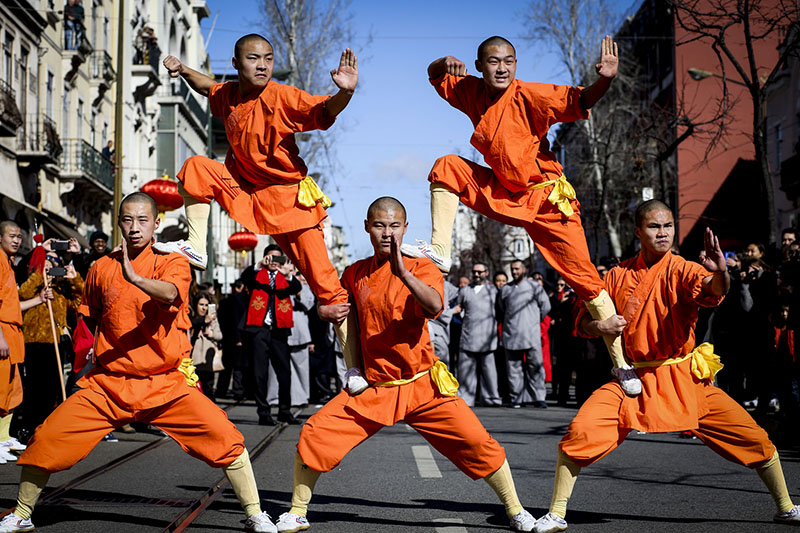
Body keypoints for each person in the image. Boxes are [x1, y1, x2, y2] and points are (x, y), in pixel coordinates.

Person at [0, 194, 278, 533]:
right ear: (119, 223)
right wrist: (87, 358)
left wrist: (136, 278)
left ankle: (254, 513)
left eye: (142, 220)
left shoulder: (172, 261)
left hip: (164, 383)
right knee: (46, 439)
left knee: (225, 438)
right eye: (127, 220)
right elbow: (92, 318)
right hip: (109, 384)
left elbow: (172, 294)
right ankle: (22, 514)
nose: (134, 227)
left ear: (156, 224)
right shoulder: (101, 267)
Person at [532, 200, 800, 533]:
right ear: (638, 232)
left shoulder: (682, 268)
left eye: (668, 226)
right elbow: (584, 321)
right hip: (632, 378)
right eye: (654, 227)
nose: (663, 233)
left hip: (683, 378)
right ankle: (557, 514)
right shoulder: (616, 275)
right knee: (581, 432)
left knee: (753, 438)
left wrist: (721, 272)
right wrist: (599, 328)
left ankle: (786, 507)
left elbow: (714, 290)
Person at [276, 197, 537, 533]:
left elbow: (433, 306)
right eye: (380, 225)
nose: (387, 233)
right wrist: (322, 312)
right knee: (316, 433)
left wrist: (402, 272)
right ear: (368, 227)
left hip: (422, 385)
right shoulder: (355, 272)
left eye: (394, 226)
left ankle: (515, 510)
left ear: (405, 228)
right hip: (374, 387)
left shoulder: (421, 266)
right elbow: (340, 313)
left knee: (478, 444)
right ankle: (298, 512)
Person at [402, 35, 640, 397]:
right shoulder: (471, 90)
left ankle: (622, 364)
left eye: (509, 61)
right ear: (479, 66)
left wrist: (604, 80)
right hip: (503, 192)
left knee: (587, 280)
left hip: (546, 200)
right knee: (446, 166)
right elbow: (434, 76)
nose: (502, 68)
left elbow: (580, 100)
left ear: (516, 65)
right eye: (494, 62)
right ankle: (441, 250)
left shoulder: (531, 94)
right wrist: (442, 61)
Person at [156, 34, 360, 386]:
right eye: (254, 58)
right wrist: (182, 69)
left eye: (268, 58)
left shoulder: (282, 95)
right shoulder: (229, 95)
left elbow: (323, 111)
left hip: (290, 202)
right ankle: (196, 246)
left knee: (328, 288)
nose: (263, 64)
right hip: (248, 194)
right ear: (236, 65)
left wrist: (345, 93)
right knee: (195, 167)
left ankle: (354, 368)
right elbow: (207, 86)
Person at [17, 240, 84, 440]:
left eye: (55, 261)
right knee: (35, 387)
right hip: (34, 341)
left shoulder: (61, 287)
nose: (51, 264)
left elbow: (79, 300)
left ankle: (46, 426)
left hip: (56, 342)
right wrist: (40, 273)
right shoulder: (34, 280)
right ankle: (28, 426)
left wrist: (73, 279)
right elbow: (22, 294)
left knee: (53, 387)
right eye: (48, 260)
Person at [0, 222, 51, 464]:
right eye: (12, 236)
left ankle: (3, 438)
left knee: (12, 391)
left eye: (19, 237)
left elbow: (12, 306)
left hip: (13, 332)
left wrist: (39, 300)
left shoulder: (8, 264)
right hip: (2, 334)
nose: (17, 240)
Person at [240, 245, 301, 425]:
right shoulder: (256, 274)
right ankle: (263, 413)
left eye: (278, 259)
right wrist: (259, 264)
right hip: (259, 329)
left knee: (284, 371)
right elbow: (245, 277)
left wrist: (287, 273)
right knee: (260, 373)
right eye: (270, 258)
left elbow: (296, 287)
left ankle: (284, 410)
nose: (274, 262)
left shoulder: (285, 278)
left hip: (280, 330)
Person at [496, 260, 550, 408]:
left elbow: (546, 306)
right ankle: (516, 398)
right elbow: (501, 310)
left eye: (517, 269)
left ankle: (538, 397)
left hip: (531, 334)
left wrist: (534, 319)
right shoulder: (505, 289)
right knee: (514, 369)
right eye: (512, 269)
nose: (514, 272)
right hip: (511, 334)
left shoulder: (534, 287)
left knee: (536, 367)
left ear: (524, 269)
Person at [268, 268, 315, 407]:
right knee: (276, 367)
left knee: (301, 367)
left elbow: (309, 303)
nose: (298, 276)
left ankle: (301, 397)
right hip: (279, 329)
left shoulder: (302, 287)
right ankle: (274, 397)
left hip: (299, 330)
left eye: (299, 274)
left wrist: (296, 284)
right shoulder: (276, 283)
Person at [457, 262, 501, 407]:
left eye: (479, 272)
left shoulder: (493, 291)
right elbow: (459, 308)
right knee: (466, 373)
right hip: (468, 336)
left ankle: (491, 398)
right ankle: (466, 399)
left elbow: (501, 311)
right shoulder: (464, 291)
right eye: (474, 272)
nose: (476, 274)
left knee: (489, 373)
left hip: (487, 338)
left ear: (486, 273)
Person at [216, 279, 249, 399]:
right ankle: (238, 391)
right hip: (236, 338)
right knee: (238, 366)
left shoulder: (225, 301)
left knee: (226, 367)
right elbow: (236, 321)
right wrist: (238, 338)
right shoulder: (239, 301)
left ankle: (221, 390)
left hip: (227, 338)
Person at [189, 292, 222, 401]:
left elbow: (220, 335)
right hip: (194, 359)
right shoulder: (192, 319)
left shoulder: (212, 319)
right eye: (201, 304)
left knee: (208, 389)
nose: (204, 308)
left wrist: (212, 334)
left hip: (207, 361)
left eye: (206, 305)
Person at [427, 274, 458, 368]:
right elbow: (438, 311)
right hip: (434, 329)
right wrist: (453, 310)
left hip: (439, 329)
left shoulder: (445, 284)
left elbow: (457, 292)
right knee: (440, 360)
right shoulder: (434, 283)